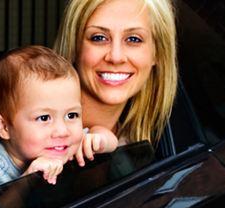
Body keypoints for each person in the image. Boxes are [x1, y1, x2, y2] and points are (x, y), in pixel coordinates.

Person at [0, 46, 118, 186]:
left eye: (71, 115)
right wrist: (28, 181)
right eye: (44, 118)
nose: (62, 131)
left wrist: (99, 139)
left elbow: (111, 141)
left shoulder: (66, 145)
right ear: (3, 127)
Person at [53, 0, 178, 145]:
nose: (115, 57)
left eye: (133, 39)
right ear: (73, 47)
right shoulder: (33, 140)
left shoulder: (133, 147)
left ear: (156, 52)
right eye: (99, 38)